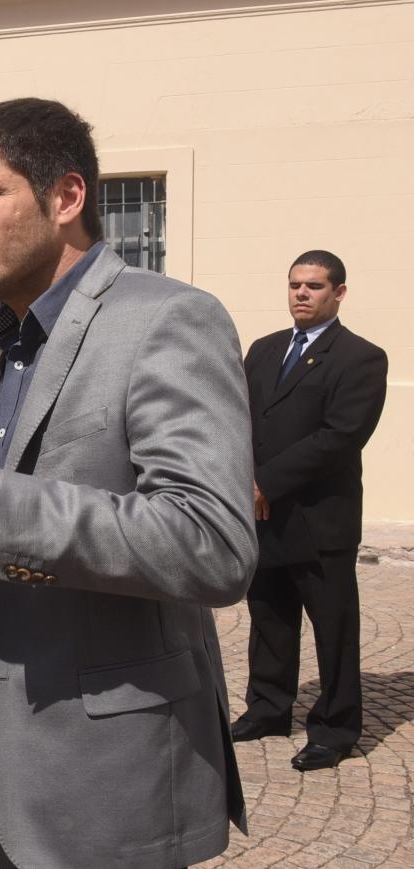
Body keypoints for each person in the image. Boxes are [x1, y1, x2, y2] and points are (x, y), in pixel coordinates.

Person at [0, 98, 256, 868]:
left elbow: (212, 544)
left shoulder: (168, 319)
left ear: (67, 198)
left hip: (102, 768)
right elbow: (16, 510)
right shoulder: (15, 338)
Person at [231, 250, 388, 772]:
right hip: (264, 514)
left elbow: (340, 437)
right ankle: (268, 709)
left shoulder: (362, 358)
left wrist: (264, 481)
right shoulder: (264, 349)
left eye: (314, 286)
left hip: (321, 518)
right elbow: (242, 418)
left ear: (338, 293)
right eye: (295, 284)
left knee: (333, 629)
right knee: (269, 618)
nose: (301, 293)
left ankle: (336, 728)